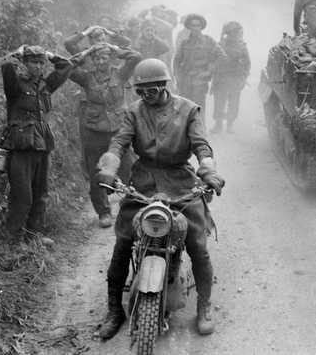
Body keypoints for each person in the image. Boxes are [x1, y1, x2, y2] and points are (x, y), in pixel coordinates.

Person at [96, 58, 225, 339]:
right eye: (140, 92)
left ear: (164, 86)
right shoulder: (133, 112)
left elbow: (202, 146)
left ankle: (203, 306)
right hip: (143, 182)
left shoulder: (189, 109)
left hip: (181, 182)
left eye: (151, 91)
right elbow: (119, 143)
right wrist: (108, 169)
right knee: (123, 242)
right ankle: (114, 309)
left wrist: (208, 171)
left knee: (197, 243)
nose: (145, 97)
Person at [1, 45, 73, 241]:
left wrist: (50, 55)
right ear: (25, 63)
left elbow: (66, 66)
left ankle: (34, 236)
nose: (39, 66)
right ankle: (13, 239)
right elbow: (6, 64)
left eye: (42, 63)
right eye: (34, 62)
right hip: (21, 148)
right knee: (22, 196)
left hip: (42, 146)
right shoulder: (15, 85)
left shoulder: (45, 85)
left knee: (40, 193)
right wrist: (17, 51)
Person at [68, 43, 141, 227]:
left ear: (110, 58)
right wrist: (87, 50)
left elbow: (135, 57)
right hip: (94, 131)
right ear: (93, 60)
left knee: (130, 168)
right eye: (97, 58)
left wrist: (114, 47)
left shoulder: (121, 73)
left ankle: (135, 206)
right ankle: (103, 212)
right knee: (96, 172)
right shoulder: (86, 78)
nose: (101, 61)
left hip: (118, 130)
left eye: (104, 57)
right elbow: (67, 67)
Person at [173, 14, 226, 113]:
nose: (196, 28)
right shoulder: (185, 43)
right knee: (185, 109)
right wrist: (178, 76)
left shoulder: (208, 41)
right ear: (189, 27)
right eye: (193, 25)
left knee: (198, 109)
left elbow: (221, 56)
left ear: (201, 27)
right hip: (186, 81)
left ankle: (200, 128)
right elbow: (176, 61)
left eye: (198, 25)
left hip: (200, 81)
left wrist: (209, 71)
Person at [210, 21, 251, 134]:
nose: (236, 34)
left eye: (237, 32)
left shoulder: (242, 46)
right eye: (233, 32)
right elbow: (212, 60)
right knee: (219, 102)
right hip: (221, 78)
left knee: (233, 102)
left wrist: (243, 77)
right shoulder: (220, 45)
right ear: (228, 33)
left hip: (235, 78)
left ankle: (230, 124)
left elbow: (247, 63)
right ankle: (218, 124)